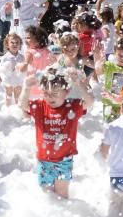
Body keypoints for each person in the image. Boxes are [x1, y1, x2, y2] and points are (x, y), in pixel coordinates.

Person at [20, 65, 93, 199]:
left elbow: (90, 101)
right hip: (44, 160)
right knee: (47, 196)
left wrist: (79, 83)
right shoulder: (41, 106)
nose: (50, 97)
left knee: (62, 193)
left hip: (64, 160)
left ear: (67, 91)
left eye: (55, 94)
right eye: (46, 93)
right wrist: (26, 88)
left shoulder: (72, 106)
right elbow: (23, 105)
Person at [0, 32, 25, 105]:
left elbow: (24, 69)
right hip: (8, 79)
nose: (15, 44)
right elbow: (2, 71)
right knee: (8, 93)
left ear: (20, 45)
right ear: (7, 44)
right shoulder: (5, 57)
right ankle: (8, 108)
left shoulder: (22, 57)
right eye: (12, 42)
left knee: (18, 92)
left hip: (18, 78)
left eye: (17, 43)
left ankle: (17, 107)